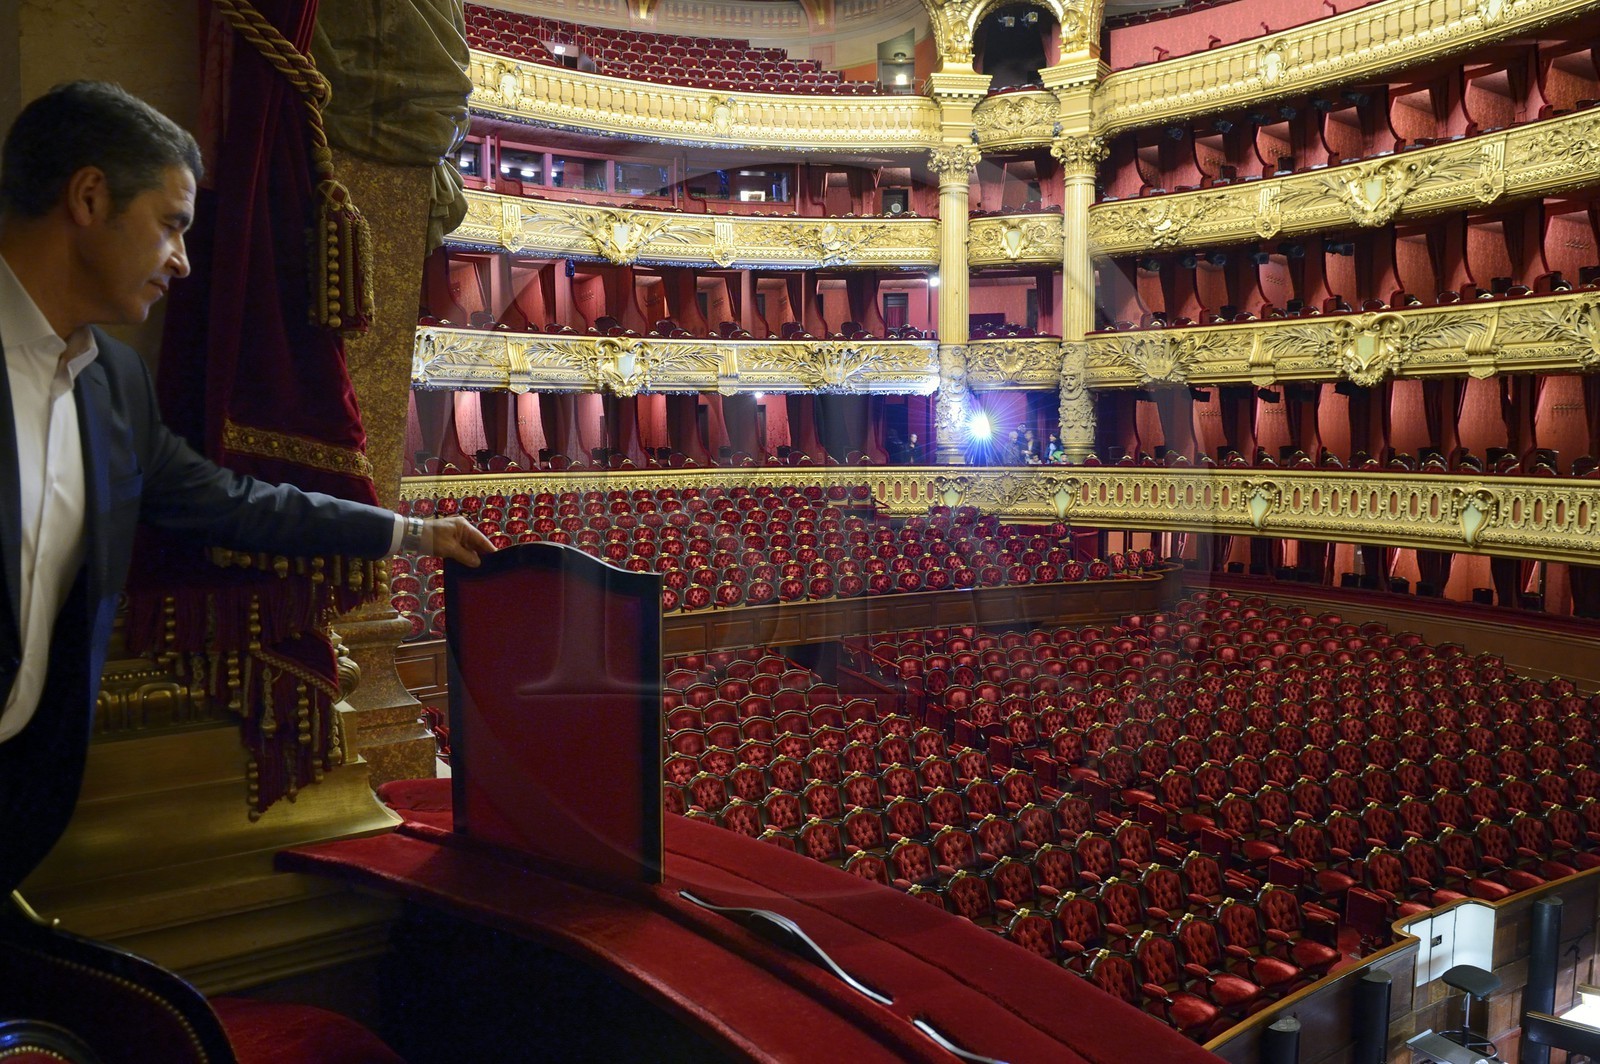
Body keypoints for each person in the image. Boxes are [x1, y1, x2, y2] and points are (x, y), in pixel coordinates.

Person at [0, 81, 493, 893]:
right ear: (88, 197)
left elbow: (232, 502)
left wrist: (408, 534)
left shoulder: (113, 383)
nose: (184, 261)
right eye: (171, 225)